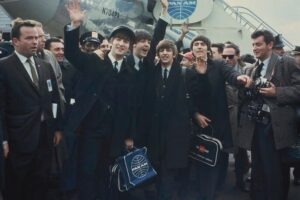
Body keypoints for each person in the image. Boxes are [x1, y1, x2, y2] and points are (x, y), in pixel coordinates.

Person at [64, 0, 136, 199]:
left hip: (115, 131)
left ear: (129, 47)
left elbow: (130, 107)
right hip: (91, 129)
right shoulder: (95, 61)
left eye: (126, 41)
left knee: (105, 172)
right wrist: (75, 26)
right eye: (118, 39)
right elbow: (72, 54)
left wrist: (128, 135)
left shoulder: (130, 72)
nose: (122, 43)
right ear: (111, 41)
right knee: (87, 171)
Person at [0, 19, 62, 200]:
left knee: (40, 183)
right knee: (17, 185)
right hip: (18, 139)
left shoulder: (45, 66)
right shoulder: (4, 67)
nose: (35, 42)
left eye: (36, 38)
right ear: (15, 41)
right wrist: (3, 139)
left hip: (44, 136)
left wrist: (56, 127)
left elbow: (54, 99)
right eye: (29, 38)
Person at [238, 29, 300, 200]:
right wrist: (245, 86)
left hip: (276, 128)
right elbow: (246, 98)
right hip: (256, 126)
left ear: (270, 45)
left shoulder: (286, 63)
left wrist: (277, 92)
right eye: (253, 45)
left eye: (258, 44)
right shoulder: (251, 68)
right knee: (258, 170)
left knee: (276, 173)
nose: (255, 48)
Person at [190, 35, 251, 200]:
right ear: (192, 49)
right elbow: (185, 96)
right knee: (197, 159)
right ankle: (201, 191)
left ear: (208, 49)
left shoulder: (217, 65)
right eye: (196, 44)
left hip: (217, 123)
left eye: (203, 44)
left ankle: (210, 193)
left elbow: (231, 74)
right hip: (196, 123)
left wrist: (239, 78)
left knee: (215, 159)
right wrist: (195, 114)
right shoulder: (187, 69)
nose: (200, 46)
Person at [222, 44, 251, 192]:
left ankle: (240, 181)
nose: (227, 59)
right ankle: (224, 181)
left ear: (238, 55)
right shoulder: (220, 70)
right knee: (225, 149)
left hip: (244, 117)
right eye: (224, 57)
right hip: (226, 116)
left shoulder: (248, 70)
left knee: (241, 151)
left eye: (230, 56)